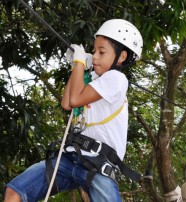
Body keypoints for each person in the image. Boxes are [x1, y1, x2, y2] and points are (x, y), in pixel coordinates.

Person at [4, 19, 143, 202]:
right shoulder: (92, 77)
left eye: (102, 52)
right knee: (15, 191)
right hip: (71, 158)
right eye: (94, 51)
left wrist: (79, 64)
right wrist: (78, 68)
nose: (95, 56)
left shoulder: (117, 79)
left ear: (122, 57)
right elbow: (67, 103)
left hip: (99, 165)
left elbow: (76, 99)